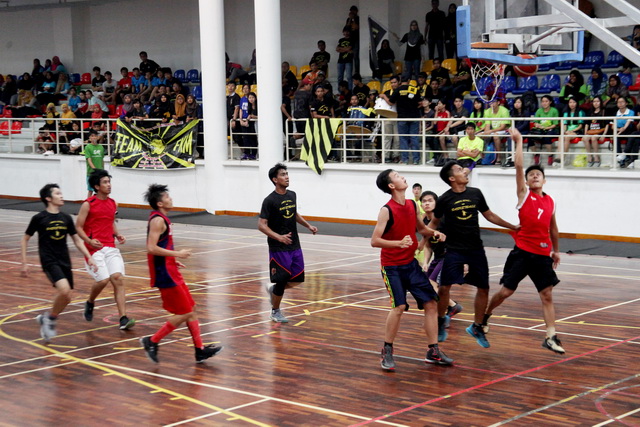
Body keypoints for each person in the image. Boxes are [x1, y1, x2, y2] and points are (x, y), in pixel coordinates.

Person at [484, 127, 565, 354]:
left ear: (545, 180)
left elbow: (553, 227)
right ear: (527, 182)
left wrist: (556, 250)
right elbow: (519, 166)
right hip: (522, 252)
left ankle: (550, 336)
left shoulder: (551, 202)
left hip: (542, 254)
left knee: (547, 294)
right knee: (505, 292)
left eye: (538, 174)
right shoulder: (524, 195)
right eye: (531, 175)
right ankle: (486, 315)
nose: (534, 176)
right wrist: (518, 141)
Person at [429, 160, 519, 348]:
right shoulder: (444, 199)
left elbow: (490, 215)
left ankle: (477, 327)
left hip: (475, 249)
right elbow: (434, 223)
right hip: (454, 250)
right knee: (444, 288)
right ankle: (440, 321)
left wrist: (512, 227)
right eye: (459, 170)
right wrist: (423, 239)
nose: (465, 171)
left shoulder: (475, 193)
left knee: (483, 288)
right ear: (452, 178)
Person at [372, 169, 453, 370]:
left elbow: (422, 229)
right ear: (391, 185)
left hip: (411, 265)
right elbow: (375, 241)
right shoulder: (386, 210)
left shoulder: (411, 205)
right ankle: (387, 350)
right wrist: (398, 243)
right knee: (399, 307)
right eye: (397, 176)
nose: (402, 177)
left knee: (431, 303)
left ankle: (433, 351)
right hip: (392, 267)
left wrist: (435, 233)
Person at [139, 184, 223, 363]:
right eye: (167, 197)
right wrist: (177, 254)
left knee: (191, 309)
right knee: (184, 312)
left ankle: (200, 350)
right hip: (164, 274)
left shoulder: (163, 219)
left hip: (170, 269)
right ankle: (152, 341)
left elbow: (161, 247)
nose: (171, 199)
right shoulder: (157, 221)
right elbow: (151, 248)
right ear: (160, 203)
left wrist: (172, 259)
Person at [22, 184, 98, 342]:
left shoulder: (66, 218)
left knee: (68, 296)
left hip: (64, 260)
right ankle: (50, 320)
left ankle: (49, 317)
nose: (61, 196)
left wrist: (89, 257)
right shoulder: (39, 218)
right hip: (49, 260)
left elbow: (77, 240)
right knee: (64, 290)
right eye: (57, 193)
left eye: (61, 193)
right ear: (48, 198)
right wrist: (24, 262)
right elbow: (25, 239)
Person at [76, 169, 135, 331]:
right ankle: (90, 302)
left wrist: (117, 234)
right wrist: (89, 241)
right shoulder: (88, 204)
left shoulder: (113, 203)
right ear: (97, 186)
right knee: (103, 280)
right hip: (93, 249)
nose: (109, 185)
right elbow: (78, 227)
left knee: (117, 278)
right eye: (105, 182)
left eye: (109, 182)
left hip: (110, 246)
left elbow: (110, 221)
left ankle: (123, 318)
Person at [258, 163, 318, 323]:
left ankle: (274, 289)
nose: (287, 177)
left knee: (297, 278)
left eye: (287, 174)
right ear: (275, 179)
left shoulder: (292, 195)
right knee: (282, 279)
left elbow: (294, 213)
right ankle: (275, 311)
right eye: (283, 174)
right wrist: (278, 237)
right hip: (278, 247)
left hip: (294, 244)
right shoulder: (269, 200)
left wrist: (308, 225)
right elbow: (261, 225)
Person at [417, 190, 463, 326]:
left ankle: (449, 309)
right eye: (424, 201)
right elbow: (428, 246)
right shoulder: (424, 222)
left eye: (430, 200)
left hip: (449, 256)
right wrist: (425, 262)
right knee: (426, 284)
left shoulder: (444, 219)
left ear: (436, 203)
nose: (427, 203)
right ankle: (451, 306)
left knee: (433, 284)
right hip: (437, 257)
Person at [386, 75, 422, 165]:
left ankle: (405, 160)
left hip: (402, 117)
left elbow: (390, 102)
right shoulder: (414, 89)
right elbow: (420, 103)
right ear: (409, 80)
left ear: (400, 81)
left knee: (403, 138)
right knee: (414, 138)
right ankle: (416, 160)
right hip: (414, 117)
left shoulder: (398, 90)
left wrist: (383, 96)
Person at [531, 95, 560, 166]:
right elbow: (535, 122)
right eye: (543, 101)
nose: (544, 103)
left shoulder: (554, 111)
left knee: (547, 137)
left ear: (550, 102)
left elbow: (555, 124)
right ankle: (536, 154)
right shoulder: (539, 111)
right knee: (530, 137)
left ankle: (550, 155)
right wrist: (537, 125)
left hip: (552, 129)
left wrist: (545, 128)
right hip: (540, 129)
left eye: (546, 101)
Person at [556, 96, 585, 165]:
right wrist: (564, 131)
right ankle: (559, 157)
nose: (572, 104)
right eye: (570, 102)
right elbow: (565, 124)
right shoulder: (566, 113)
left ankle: (563, 158)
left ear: (577, 103)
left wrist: (572, 131)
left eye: (574, 102)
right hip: (568, 131)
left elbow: (580, 125)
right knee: (561, 136)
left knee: (567, 137)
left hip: (577, 131)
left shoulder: (580, 112)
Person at [482, 98, 511, 165]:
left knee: (495, 136)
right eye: (490, 102)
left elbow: (503, 127)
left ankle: (499, 157)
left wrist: (490, 131)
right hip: (493, 130)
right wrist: (485, 133)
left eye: (493, 102)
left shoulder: (504, 111)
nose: (491, 104)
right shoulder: (487, 111)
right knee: (479, 136)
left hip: (504, 130)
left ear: (498, 102)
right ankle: (481, 158)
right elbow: (487, 125)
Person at [583, 96, 609, 167]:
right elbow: (587, 124)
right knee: (585, 138)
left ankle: (596, 157)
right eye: (594, 101)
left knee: (594, 138)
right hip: (591, 131)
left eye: (597, 101)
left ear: (600, 102)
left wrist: (604, 135)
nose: (596, 103)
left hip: (600, 131)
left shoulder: (604, 111)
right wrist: (585, 133)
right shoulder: (590, 112)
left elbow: (607, 124)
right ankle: (589, 156)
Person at [345, 5, 360, 73]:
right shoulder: (348, 19)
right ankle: (349, 72)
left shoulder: (358, 19)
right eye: (351, 11)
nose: (352, 12)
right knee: (349, 56)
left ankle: (357, 72)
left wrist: (353, 19)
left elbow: (356, 27)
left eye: (353, 11)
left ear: (356, 11)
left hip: (356, 39)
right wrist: (350, 19)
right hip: (350, 40)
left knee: (355, 56)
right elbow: (347, 28)